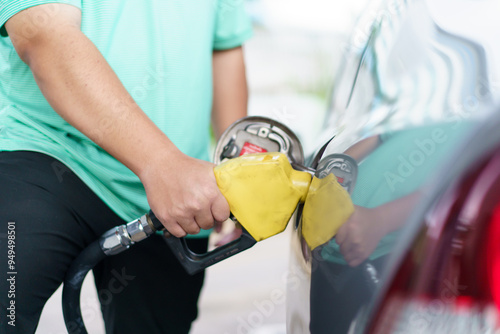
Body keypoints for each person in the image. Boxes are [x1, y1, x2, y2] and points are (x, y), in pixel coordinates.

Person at [0, 1, 252, 333]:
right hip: (50, 158)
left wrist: (238, 178)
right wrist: (160, 163)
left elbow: (225, 47)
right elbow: (44, 35)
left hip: (177, 199)